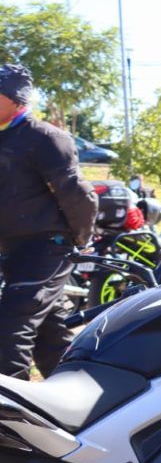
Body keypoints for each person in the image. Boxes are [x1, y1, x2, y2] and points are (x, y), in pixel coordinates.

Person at [0, 64, 97, 379]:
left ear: (16, 99)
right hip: (12, 249)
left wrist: (79, 239)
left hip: (47, 247)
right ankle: (77, 396)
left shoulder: (44, 138)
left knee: (10, 326)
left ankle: (10, 420)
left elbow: (78, 196)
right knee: (49, 333)